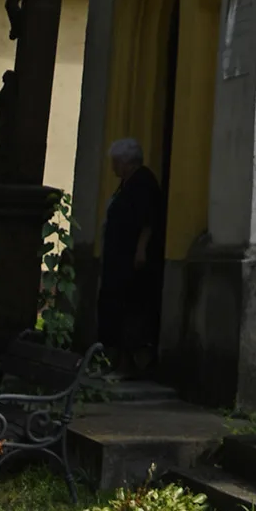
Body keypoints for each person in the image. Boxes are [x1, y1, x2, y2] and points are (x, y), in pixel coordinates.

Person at [96, 137, 163, 373]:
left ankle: (129, 363)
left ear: (127, 162)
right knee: (114, 308)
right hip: (117, 256)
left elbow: (148, 220)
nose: (113, 166)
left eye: (116, 162)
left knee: (129, 310)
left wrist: (141, 250)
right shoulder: (126, 182)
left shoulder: (143, 182)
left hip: (130, 260)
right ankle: (115, 360)